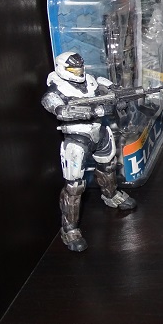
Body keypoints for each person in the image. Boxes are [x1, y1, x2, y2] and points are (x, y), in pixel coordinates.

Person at [41, 52, 137, 252]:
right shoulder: (56, 89)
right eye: (73, 69)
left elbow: (109, 89)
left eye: (79, 67)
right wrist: (94, 111)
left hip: (99, 132)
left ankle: (111, 195)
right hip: (77, 138)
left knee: (108, 166)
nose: (78, 72)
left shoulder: (91, 81)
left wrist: (118, 98)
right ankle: (69, 229)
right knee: (74, 186)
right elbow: (60, 111)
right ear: (62, 68)